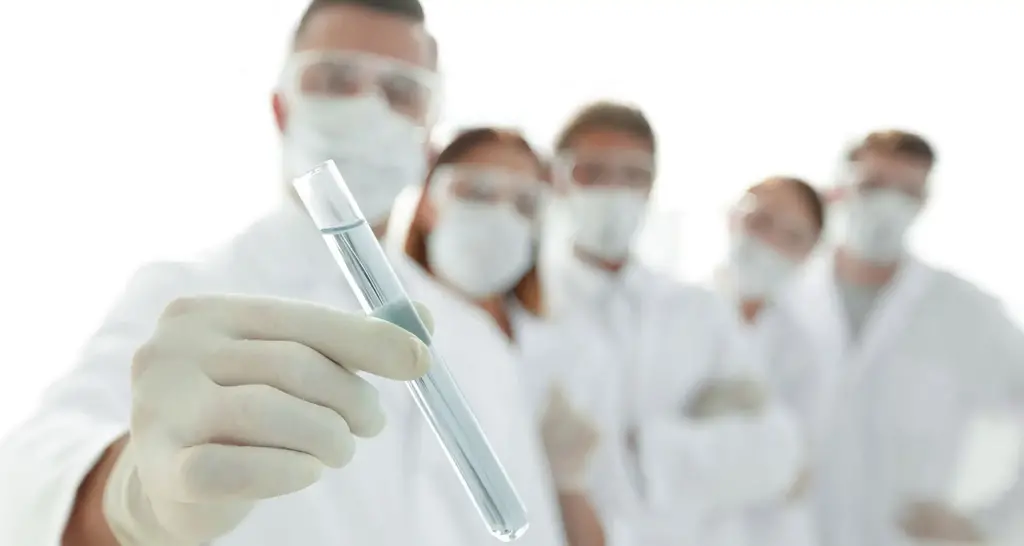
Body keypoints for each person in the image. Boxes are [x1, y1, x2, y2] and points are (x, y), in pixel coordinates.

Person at [0, 1, 493, 545]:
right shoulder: (181, 293)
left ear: (428, 134)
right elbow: (35, 466)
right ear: (282, 109)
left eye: (401, 92)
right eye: (333, 79)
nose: (368, 109)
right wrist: (130, 497)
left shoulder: (477, 336)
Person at [531, 101, 805, 546]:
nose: (613, 190)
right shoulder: (528, 303)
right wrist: (705, 456)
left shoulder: (700, 311)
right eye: (592, 172)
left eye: (633, 175)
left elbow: (777, 455)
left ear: (652, 186)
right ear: (555, 179)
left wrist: (644, 450)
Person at [781, 130, 1024, 546]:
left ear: (925, 202)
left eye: (908, 192)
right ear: (837, 190)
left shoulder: (967, 312)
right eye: (873, 186)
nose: (888, 206)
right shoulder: (781, 298)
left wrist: (990, 524)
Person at [391, 126, 604, 546]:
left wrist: (570, 482)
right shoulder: (396, 323)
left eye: (524, 202)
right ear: (429, 203)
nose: (500, 214)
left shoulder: (566, 343)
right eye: (477, 191)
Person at [716, 176, 829, 546]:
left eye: (792, 237)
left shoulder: (807, 350)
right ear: (732, 217)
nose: (769, 244)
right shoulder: (668, 313)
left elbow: (794, 471)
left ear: (810, 252)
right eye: (760, 222)